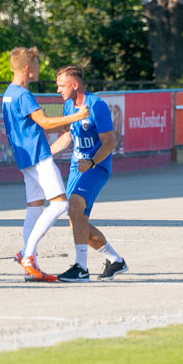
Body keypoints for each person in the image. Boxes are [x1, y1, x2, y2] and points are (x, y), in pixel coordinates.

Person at [3, 47, 88, 283]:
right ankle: (27, 254)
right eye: (38, 65)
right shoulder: (23, 95)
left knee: (35, 207)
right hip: (38, 156)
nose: (40, 69)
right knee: (60, 204)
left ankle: (31, 262)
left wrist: (64, 126)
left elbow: (32, 124)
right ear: (28, 69)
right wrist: (76, 117)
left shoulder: (9, 93)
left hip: (25, 159)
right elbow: (44, 122)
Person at [49, 65, 129, 282]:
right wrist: (45, 155)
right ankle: (116, 261)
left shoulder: (96, 106)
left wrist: (92, 161)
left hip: (96, 166)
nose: (58, 90)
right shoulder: (68, 106)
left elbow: (109, 142)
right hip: (77, 167)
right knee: (76, 222)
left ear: (75, 84)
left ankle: (81, 268)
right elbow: (68, 137)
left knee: (75, 205)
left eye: (61, 85)